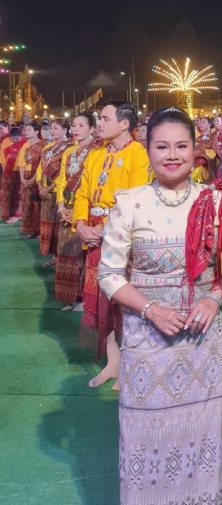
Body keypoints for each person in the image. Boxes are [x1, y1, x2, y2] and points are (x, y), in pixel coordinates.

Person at [97, 107, 222, 505]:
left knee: (199, 435)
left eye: (181, 146)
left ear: (196, 149)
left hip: (201, 339)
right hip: (148, 338)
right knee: (149, 438)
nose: (172, 155)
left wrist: (214, 299)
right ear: (147, 149)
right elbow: (109, 274)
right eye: (162, 146)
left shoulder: (216, 200)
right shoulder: (129, 203)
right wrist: (151, 310)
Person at [72, 101, 151, 388]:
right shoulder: (96, 154)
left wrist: (104, 228)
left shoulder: (139, 154)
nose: (100, 123)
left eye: (105, 119)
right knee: (102, 303)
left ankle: (130, 364)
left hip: (122, 239)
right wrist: (80, 224)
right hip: (93, 237)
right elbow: (82, 194)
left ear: (124, 124)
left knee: (123, 304)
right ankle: (112, 363)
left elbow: (136, 199)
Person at [53, 112, 101, 308]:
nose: (75, 129)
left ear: (92, 129)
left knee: (82, 255)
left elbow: (95, 185)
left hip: (85, 211)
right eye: (74, 125)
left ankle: (84, 298)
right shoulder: (68, 152)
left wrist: (78, 212)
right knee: (66, 255)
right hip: (66, 209)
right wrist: (61, 207)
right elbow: (61, 181)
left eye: (81, 125)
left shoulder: (97, 151)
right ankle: (70, 297)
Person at [36, 117, 71, 264]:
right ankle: (53, 256)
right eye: (51, 128)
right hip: (45, 192)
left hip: (58, 192)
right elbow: (39, 169)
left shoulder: (70, 147)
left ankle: (59, 256)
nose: (52, 130)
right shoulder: (47, 148)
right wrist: (40, 186)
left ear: (65, 130)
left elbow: (64, 173)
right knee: (47, 225)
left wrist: (49, 188)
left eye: (56, 128)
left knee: (58, 227)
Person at [18, 121, 45, 238]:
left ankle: (40, 230)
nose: (26, 131)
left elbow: (42, 166)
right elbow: (21, 163)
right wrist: (22, 178)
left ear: (36, 131)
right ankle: (33, 229)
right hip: (26, 178)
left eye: (29, 129)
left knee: (37, 204)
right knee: (27, 205)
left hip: (37, 178)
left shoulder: (43, 146)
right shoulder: (25, 145)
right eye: (25, 129)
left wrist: (33, 180)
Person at [1, 126, 25, 222]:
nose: (15, 140)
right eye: (13, 138)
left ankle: (17, 214)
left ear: (21, 136)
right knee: (7, 194)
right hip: (8, 172)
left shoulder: (25, 142)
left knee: (19, 193)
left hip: (21, 171)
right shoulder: (5, 142)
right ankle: (6, 214)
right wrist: (5, 173)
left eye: (17, 138)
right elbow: (3, 159)